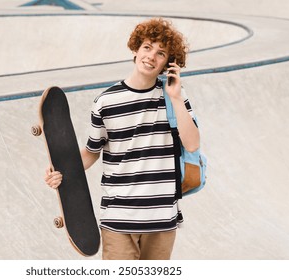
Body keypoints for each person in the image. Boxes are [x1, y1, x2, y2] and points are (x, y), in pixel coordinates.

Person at [44, 17, 200, 260]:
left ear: (167, 63)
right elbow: (91, 152)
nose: (151, 56)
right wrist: (62, 172)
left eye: (161, 53)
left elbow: (192, 144)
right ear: (136, 49)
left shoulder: (173, 98)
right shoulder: (105, 102)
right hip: (119, 219)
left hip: (161, 220)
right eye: (147, 47)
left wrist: (177, 97)